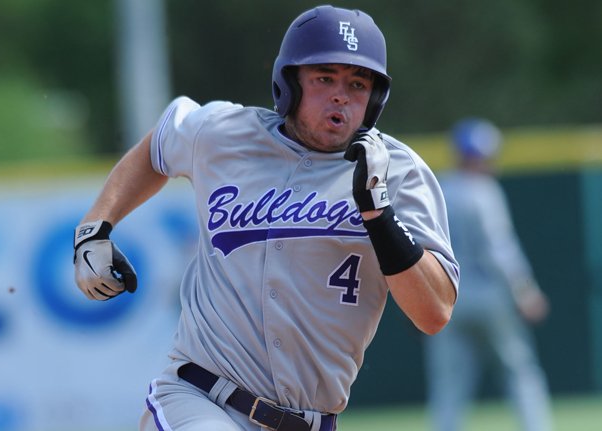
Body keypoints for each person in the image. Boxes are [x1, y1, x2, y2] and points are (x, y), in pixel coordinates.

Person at [73, 5, 458, 431]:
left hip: (311, 421)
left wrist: (379, 215)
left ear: (375, 99)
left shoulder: (400, 172)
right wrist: (95, 229)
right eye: (324, 77)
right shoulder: (224, 132)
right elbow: (157, 146)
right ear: (289, 83)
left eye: (358, 83)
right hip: (201, 397)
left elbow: (434, 311)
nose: (341, 96)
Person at [424, 118, 553, 431]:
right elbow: (500, 250)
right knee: (520, 371)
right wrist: (525, 291)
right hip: (490, 295)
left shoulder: (438, 187)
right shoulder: (484, 190)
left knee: (449, 384)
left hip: (447, 298)